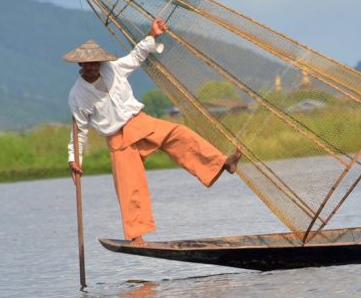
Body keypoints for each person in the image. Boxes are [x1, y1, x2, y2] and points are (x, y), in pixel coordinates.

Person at [64, 18, 241, 246]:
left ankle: (223, 163)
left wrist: (152, 34)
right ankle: (136, 236)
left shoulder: (113, 68)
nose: (91, 68)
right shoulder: (77, 95)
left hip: (139, 122)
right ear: (80, 66)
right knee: (130, 186)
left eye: (95, 63)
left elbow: (137, 56)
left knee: (180, 134)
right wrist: (73, 158)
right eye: (87, 65)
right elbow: (79, 131)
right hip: (118, 139)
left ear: (100, 62)